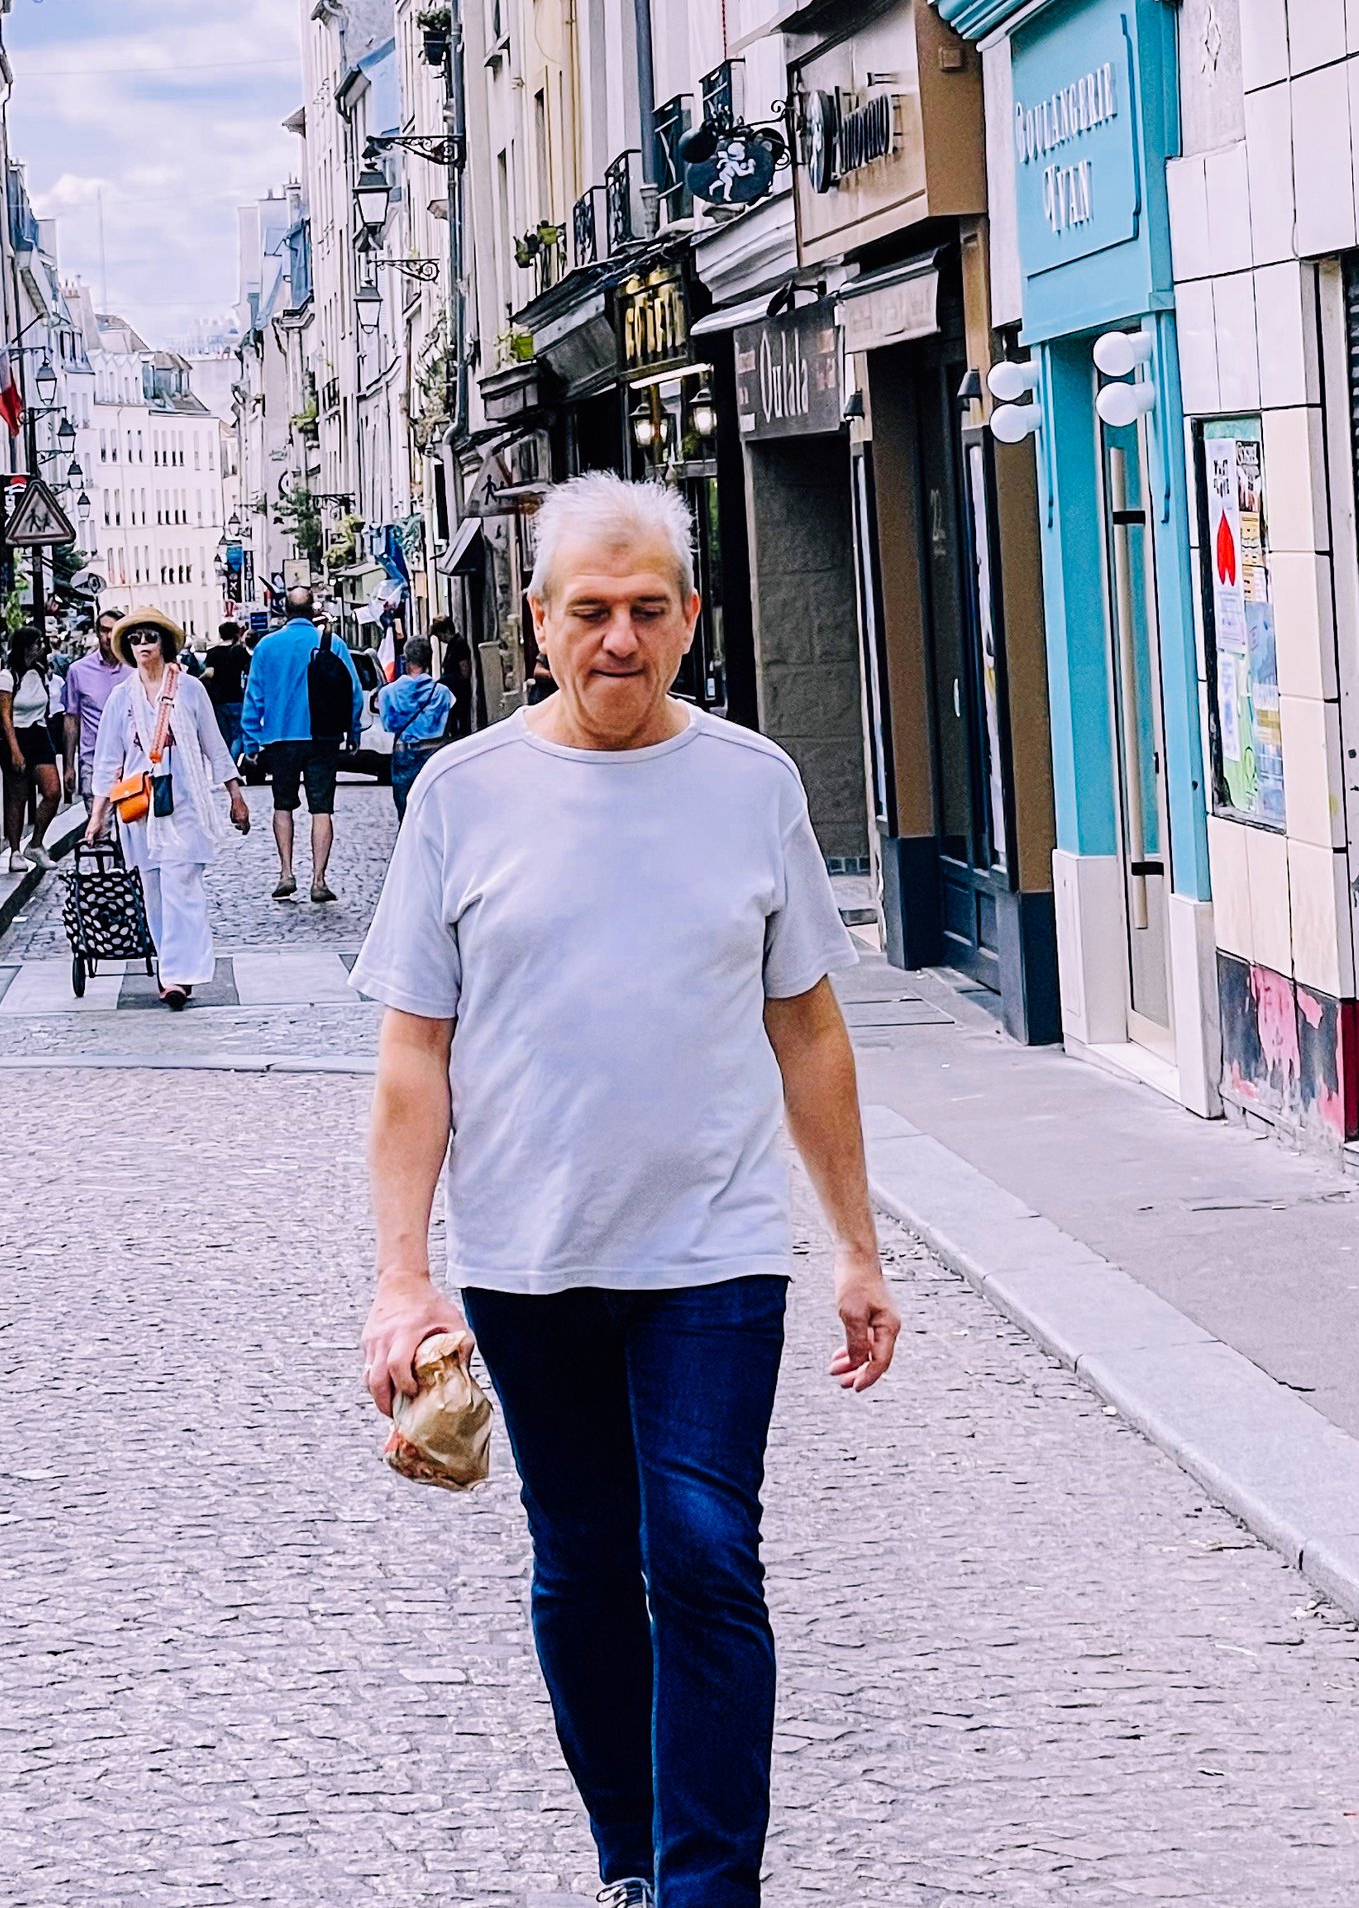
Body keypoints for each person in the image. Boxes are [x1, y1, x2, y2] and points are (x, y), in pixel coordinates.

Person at [355, 472, 899, 1908]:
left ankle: (711, 1889)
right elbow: (416, 1054)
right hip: (528, 1261)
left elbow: (808, 1025)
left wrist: (857, 1243)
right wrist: (402, 1277)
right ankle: (635, 1863)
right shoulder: (463, 798)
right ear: (536, 621)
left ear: (691, 618)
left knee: (705, 1549)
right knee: (586, 1561)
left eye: (647, 609)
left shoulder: (752, 784)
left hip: (715, 1254)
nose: (618, 639)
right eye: (588, 610)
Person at [85, 604, 247, 1010]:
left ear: (165, 643)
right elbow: (107, 760)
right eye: (136, 638)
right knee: (155, 890)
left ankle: (178, 975)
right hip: (142, 807)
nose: (143, 644)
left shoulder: (190, 690)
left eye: (150, 637)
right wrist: (97, 815)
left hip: (186, 800)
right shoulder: (121, 699)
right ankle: (168, 967)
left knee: (183, 885)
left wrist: (234, 795)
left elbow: (214, 743)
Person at [235, 584, 363, 906]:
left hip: (280, 737)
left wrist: (251, 740)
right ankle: (319, 879)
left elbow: (254, 696)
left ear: (285, 612)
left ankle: (286, 872)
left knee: (283, 805)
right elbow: (353, 692)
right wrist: (354, 731)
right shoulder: (333, 643)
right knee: (322, 808)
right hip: (323, 736)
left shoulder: (267, 647)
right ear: (313, 612)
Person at [0, 625, 63, 872]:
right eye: (37, 643)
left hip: (38, 733)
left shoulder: (40, 672)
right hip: (17, 735)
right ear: (25, 646)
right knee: (17, 796)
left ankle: (36, 843)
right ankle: (14, 851)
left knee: (53, 791)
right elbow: (5, 716)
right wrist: (14, 749)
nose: (41, 647)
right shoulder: (7, 677)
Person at [377, 639, 456, 819]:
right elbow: (448, 726)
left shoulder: (388, 693)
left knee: (406, 813)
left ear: (406, 659)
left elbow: (389, 725)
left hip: (404, 752)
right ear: (429, 659)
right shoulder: (442, 693)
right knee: (434, 809)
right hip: (434, 753)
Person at [59, 617, 127, 806]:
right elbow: (71, 720)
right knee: (99, 829)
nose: (109, 636)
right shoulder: (78, 671)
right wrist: (69, 765)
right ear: (97, 633)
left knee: (130, 827)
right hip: (93, 759)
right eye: (104, 630)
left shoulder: (135, 669)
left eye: (114, 630)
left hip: (130, 759)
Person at [199, 620, 252, 741]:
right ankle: (234, 759)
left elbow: (209, 673)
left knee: (224, 736)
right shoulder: (239, 651)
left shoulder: (213, 652)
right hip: (236, 697)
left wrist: (198, 679)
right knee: (237, 734)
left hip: (219, 699)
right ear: (236, 634)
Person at [430, 615, 476, 738]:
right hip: (454, 693)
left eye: (440, 636)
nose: (440, 640)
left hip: (459, 693)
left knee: (460, 728)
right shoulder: (452, 645)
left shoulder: (459, 645)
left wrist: (446, 680)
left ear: (447, 631)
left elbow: (465, 672)